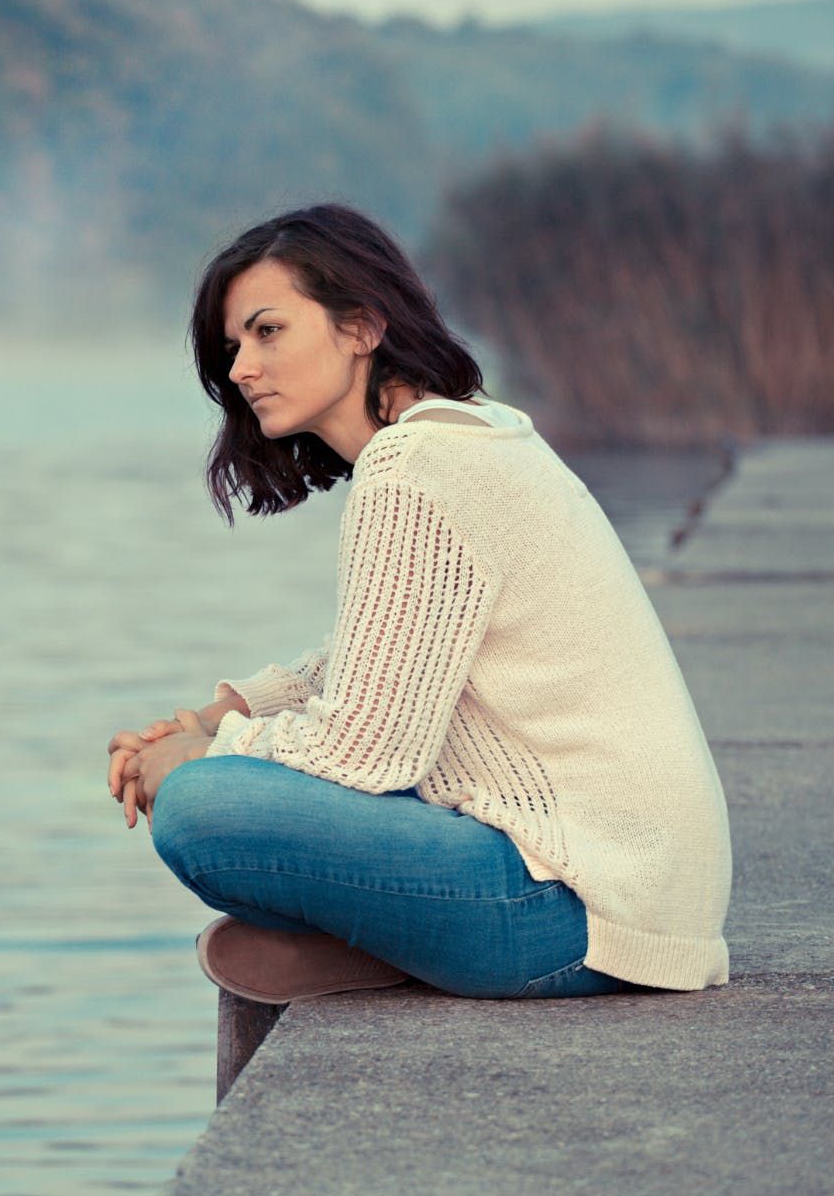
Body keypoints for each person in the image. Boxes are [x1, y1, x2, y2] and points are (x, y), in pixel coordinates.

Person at [104, 202, 733, 1002]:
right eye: (233, 346)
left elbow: (367, 750)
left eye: (268, 332)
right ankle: (390, 944)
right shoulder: (470, 435)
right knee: (228, 777)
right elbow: (380, 659)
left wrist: (201, 756)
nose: (239, 370)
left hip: (576, 905)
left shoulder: (416, 466)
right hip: (638, 895)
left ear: (362, 326)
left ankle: (388, 941)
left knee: (199, 808)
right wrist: (214, 714)